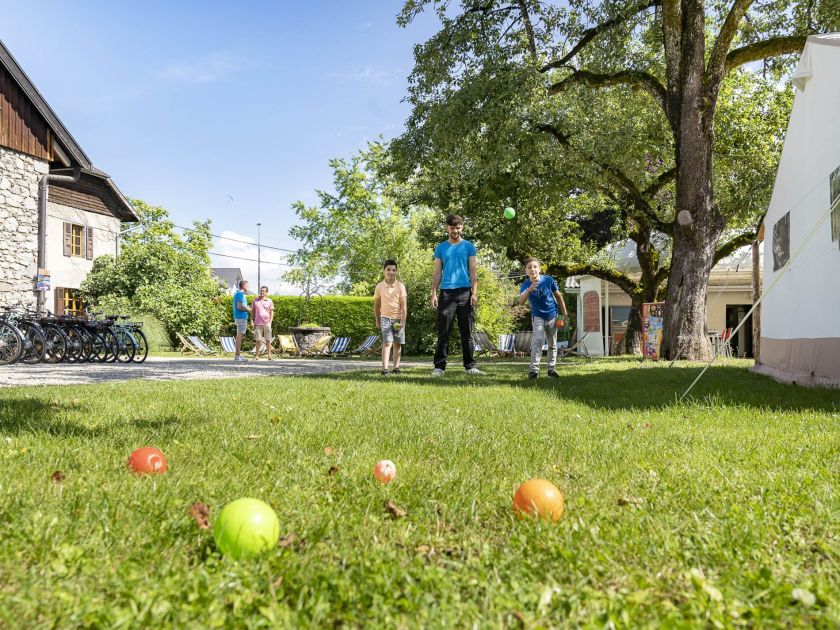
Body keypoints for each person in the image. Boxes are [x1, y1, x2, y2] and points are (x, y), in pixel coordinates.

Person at [431, 214, 484, 376]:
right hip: (446, 294)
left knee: (467, 332)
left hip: (465, 293)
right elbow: (437, 273)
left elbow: (473, 272)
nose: (455, 230)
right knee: (443, 332)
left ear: (462, 228)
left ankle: (470, 367)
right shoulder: (440, 248)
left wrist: (474, 293)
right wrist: (433, 293)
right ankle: (439, 367)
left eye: (458, 227)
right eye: (452, 227)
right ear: (447, 228)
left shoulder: (469, 246)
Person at [518, 257, 568, 379]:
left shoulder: (548, 280)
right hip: (538, 316)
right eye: (529, 267)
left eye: (535, 266)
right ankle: (533, 371)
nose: (532, 269)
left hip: (553, 315)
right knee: (538, 342)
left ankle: (551, 370)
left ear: (539, 269)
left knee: (552, 343)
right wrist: (529, 290)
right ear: (526, 271)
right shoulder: (525, 284)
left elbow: (559, 296)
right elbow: (520, 302)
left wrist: (564, 313)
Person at [373, 259, 407, 375]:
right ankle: (385, 369)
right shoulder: (379, 287)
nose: (391, 272)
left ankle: (396, 367)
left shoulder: (400, 286)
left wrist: (402, 322)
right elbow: (377, 305)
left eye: (393, 270)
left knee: (397, 343)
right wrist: (377, 320)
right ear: (384, 271)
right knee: (387, 343)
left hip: (398, 319)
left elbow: (404, 307)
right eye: (388, 269)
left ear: (396, 272)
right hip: (385, 318)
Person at [252, 285, 274, 361]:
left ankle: (269, 355)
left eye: (264, 291)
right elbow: (253, 311)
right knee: (258, 340)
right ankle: (257, 356)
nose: (262, 292)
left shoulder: (269, 301)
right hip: (258, 323)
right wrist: (252, 320)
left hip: (267, 323)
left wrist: (270, 321)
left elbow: (271, 312)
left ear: (267, 292)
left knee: (268, 340)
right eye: (261, 290)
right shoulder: (255, 300)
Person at [232, 279, 252, 362]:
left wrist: (247, 308)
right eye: (247, 285)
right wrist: (249, 310)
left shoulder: (238, 294)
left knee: (240, 335)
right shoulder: (240, 294)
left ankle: (238, 355)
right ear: (244, 286)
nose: (248, 287)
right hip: (241, 317)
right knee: (240, 336)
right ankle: (237, 356)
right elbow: (239, 306)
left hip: (240, 317)